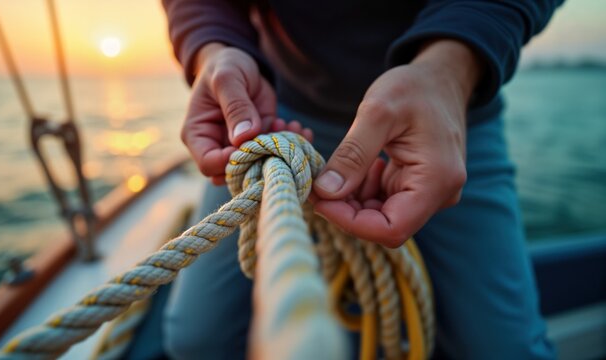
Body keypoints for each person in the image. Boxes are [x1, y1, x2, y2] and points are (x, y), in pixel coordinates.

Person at [161, 1, 563, 358]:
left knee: (504, 347)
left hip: (446, 108)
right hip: (279, 117)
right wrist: (213, 48)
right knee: (196, 338)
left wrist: (450, 70)